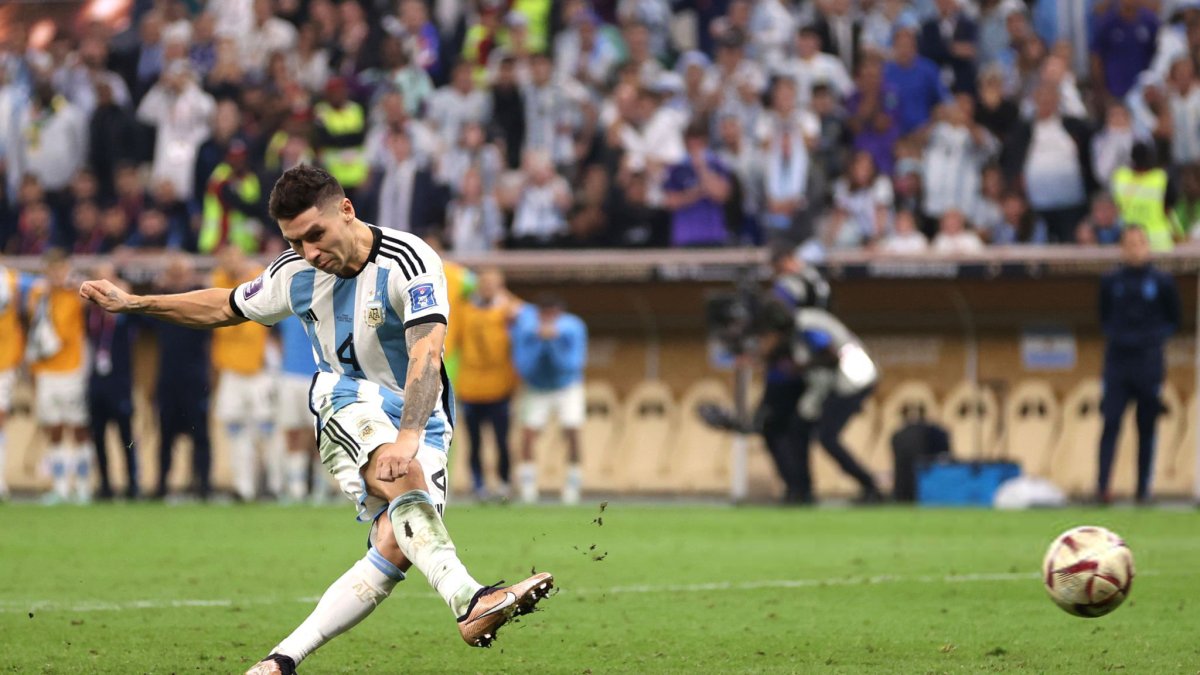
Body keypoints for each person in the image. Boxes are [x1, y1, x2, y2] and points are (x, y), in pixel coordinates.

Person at [79, 165, 553, 674]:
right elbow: (225, 306)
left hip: (423, 413)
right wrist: (136, 302)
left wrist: (411, 434)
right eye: (294, 241)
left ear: (346, 211)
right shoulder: (294, 272)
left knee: (397, 545)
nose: (307, 252)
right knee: (405, 482)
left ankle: (280, 661)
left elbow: (427, 353)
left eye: (314, 235)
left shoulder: (410, 260)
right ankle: (469, 600)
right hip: (344, 396)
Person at [1097, 227, 1180, 504]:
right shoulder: (1111, 281)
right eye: (1129, 243)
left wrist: (1152, 339)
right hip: (1117, 361)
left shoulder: (1162, 281)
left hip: (1148, 361)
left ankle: (1143, 491)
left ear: (1148, 246)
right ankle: (1102, 488)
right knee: (1110, 423)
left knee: (1146, 427)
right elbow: (1103, 315)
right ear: (1121, 247)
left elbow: (1174, 318)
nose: (1135, 249)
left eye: (1140, 243)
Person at [790, 307, 885, 504]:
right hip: (847, 381)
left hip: (852, 381)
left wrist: (802, 367)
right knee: (808, 429)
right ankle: (801, 488)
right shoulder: (811, 318)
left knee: (826, 437)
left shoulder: (805, 324)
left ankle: (870, 485)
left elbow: (830, 355)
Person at [211, 245, 275, 501]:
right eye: (226, 258)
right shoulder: (218, 282)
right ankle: (244, 488)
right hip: (231, 373)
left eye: (235, 257)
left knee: (267, 434)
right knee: (237, 435)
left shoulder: (257, 279)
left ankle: (274, 486)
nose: (231, 263)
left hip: (259, 371)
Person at [511, 294, 588, 505]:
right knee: (528, 434)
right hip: (537, 387)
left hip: (567, 386)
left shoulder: (573, 326)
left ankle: (573, 484)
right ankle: (528, 487)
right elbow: (522, 366)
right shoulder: (527, 329)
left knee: (572, 431)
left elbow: (573, 364)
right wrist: (540, 343)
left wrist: (553, 342)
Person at [30, 250, 92, 504]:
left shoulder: (76, 292)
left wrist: (73, 282)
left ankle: (83, 487)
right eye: (52, 270)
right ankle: (60, 487)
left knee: (78, 428)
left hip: (73, 368)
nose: (57, 275)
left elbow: (90, 298)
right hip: (46, 370)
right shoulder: (39, 294)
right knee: (54, 428)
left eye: (61, 269)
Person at [150, 254, 214, 500]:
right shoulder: (163, 304)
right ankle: (161, 486)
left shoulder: (200, 302)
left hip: (195, 378)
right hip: (169, 378)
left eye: (181, 273)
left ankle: (204, 487)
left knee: (201, 436)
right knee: (165, 436)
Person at [457, 268, 523, 500]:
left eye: (493, 284)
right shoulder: (465, 311)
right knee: (474, 442)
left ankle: (504, 483)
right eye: (484, 283)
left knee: (502, 440)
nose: (487, 288)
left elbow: (527, 318)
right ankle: (478, 484)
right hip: (470, 388)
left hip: (500, 388)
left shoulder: (509, 312)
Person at [85, 262, 140, 500]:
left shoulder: (126, 311)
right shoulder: (89, 311)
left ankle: (132, 485)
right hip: (96, 381)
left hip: (120, 380)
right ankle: (105, 485)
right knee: (98, 436)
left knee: (125, 436)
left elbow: (146, 323)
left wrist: (128, 300)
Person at [275, 314, 320, 502]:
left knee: (321, 435)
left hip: (318, 374)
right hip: (290, 375)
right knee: (292, 432)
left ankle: (320, 488)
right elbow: (273, 336)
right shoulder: (286, 304)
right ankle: (297, 488)